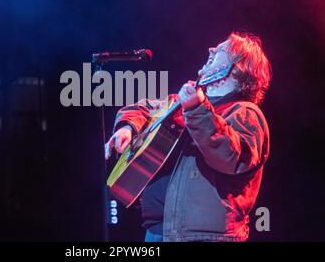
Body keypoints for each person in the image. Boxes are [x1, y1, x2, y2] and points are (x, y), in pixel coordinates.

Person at [105, 32, 271, 242]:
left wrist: (197, 108)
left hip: (204, 237)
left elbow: (229, 157)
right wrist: (127, 127)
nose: (211, 49)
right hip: (158, 232)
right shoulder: (179, 105)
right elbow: (143, 108)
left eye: (221, 50)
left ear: (238, 69)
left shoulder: (245, 113)